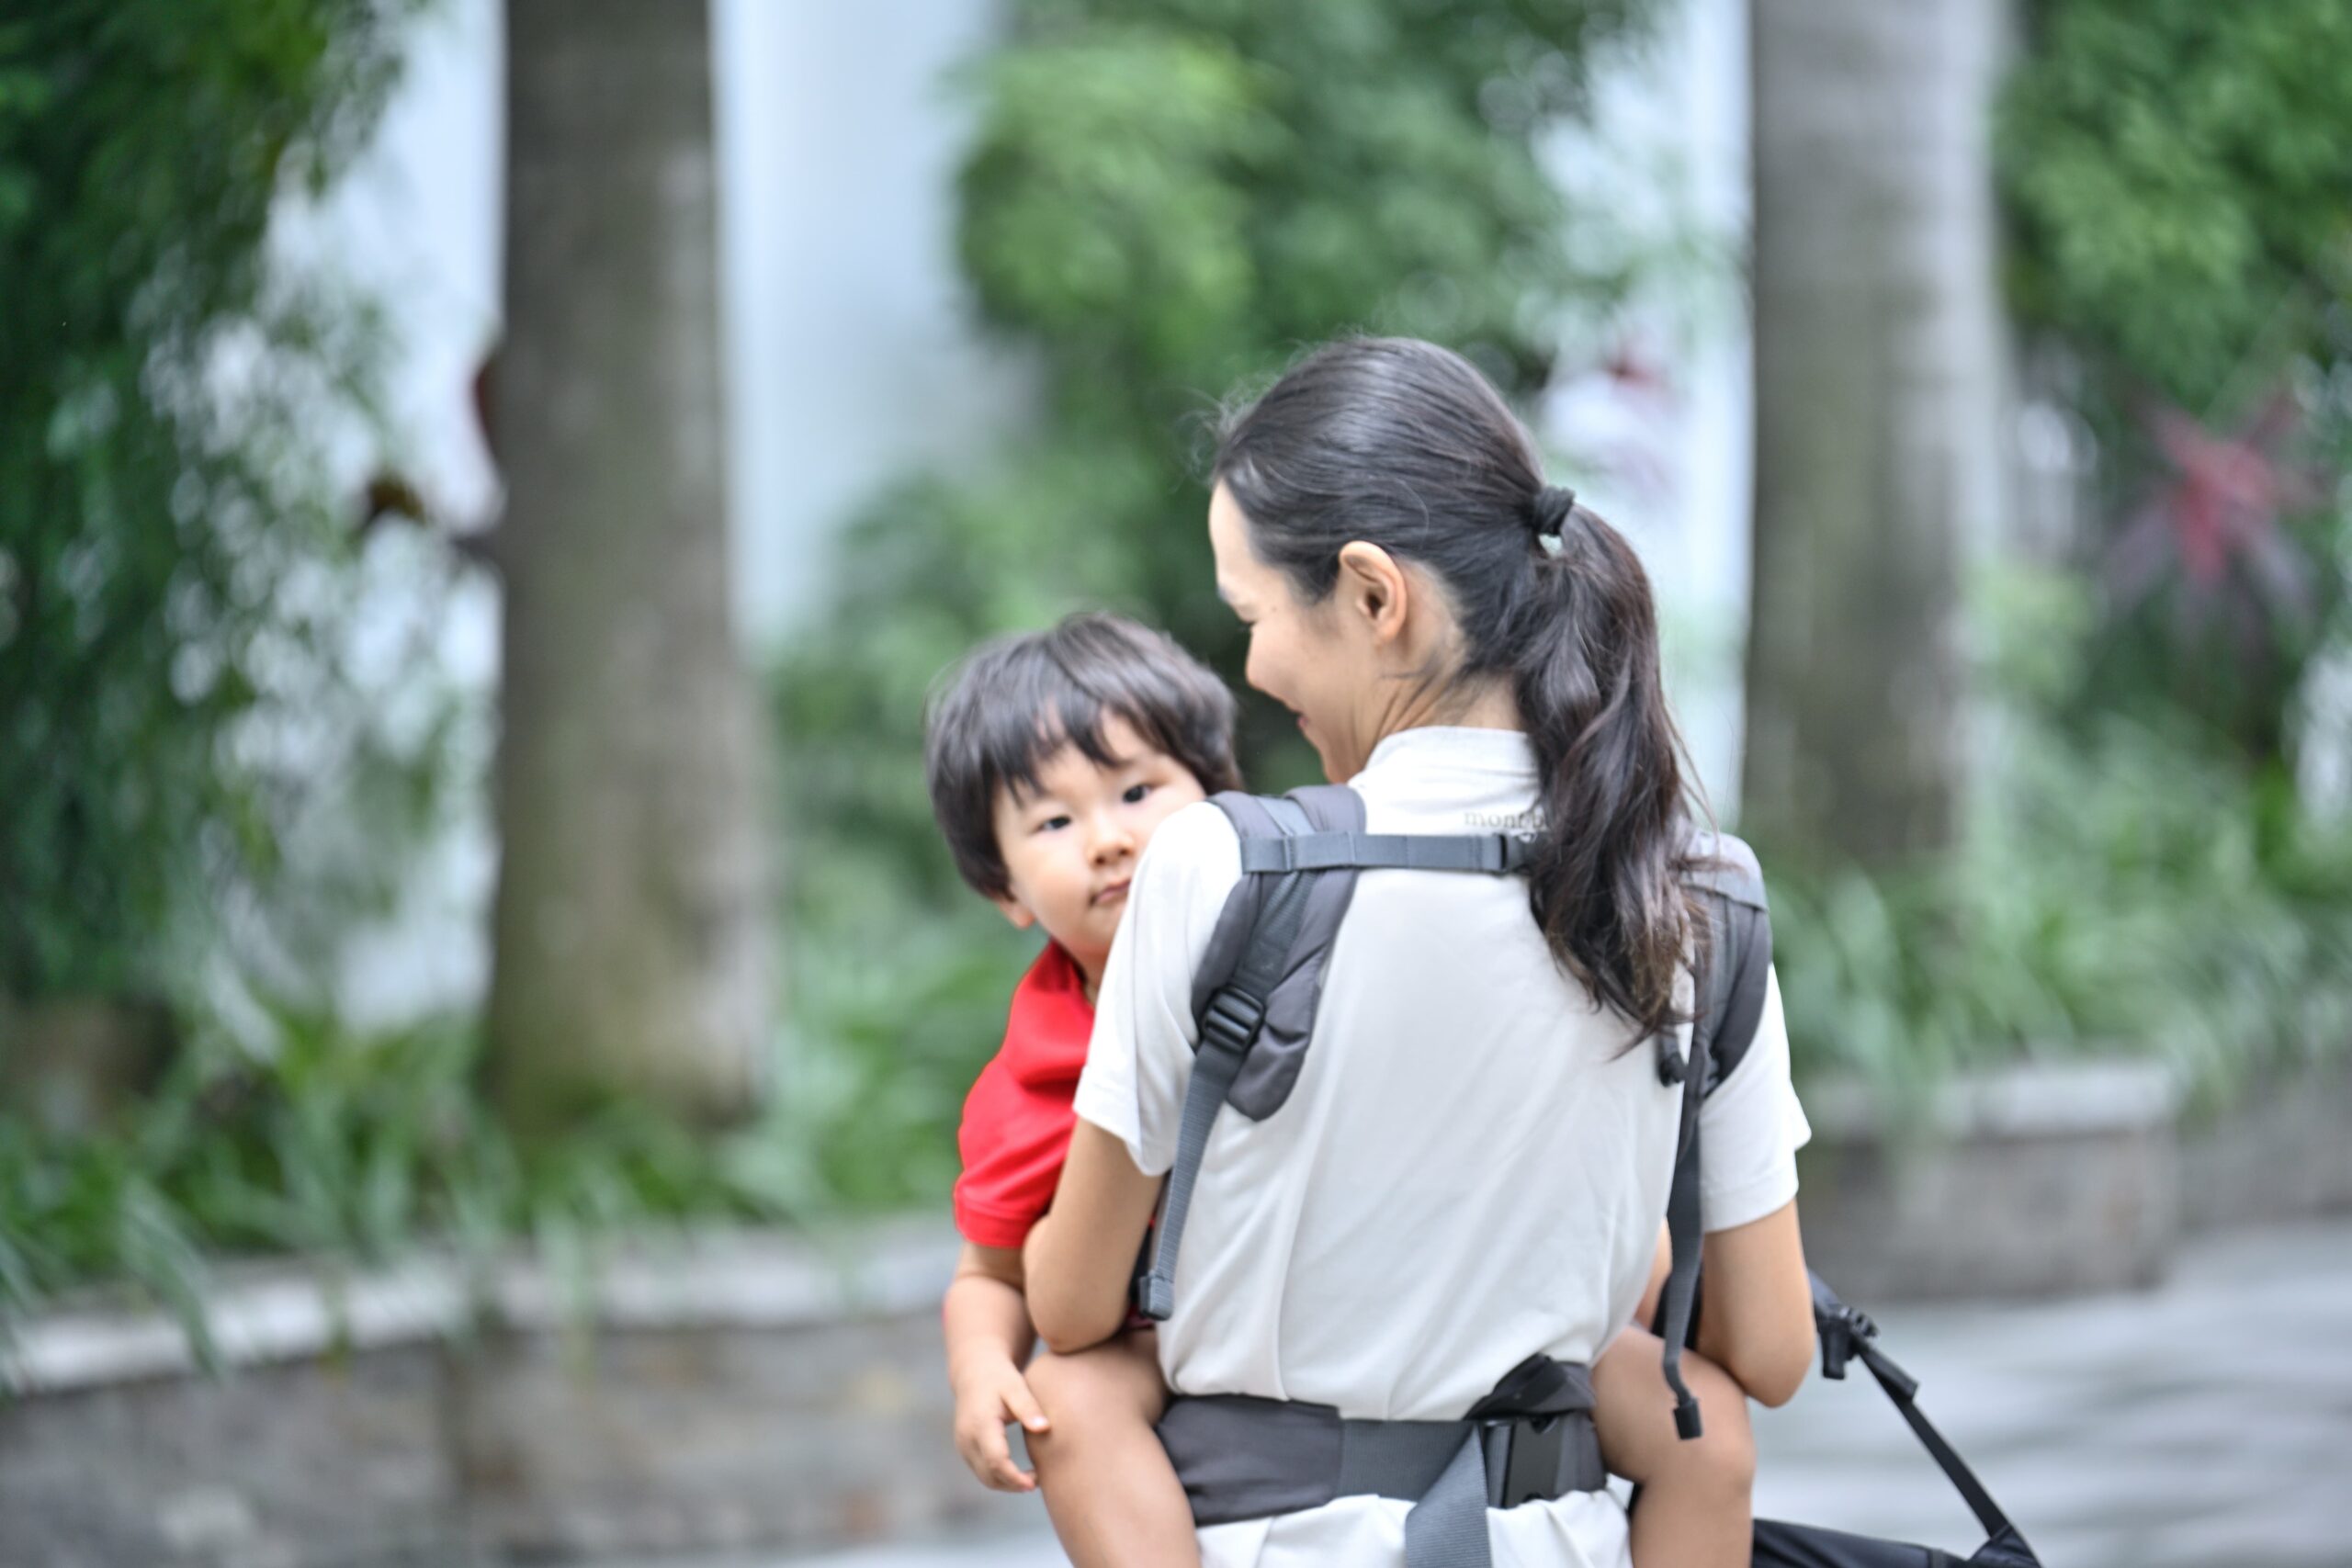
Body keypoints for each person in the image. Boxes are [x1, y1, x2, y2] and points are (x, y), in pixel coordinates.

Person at [1022, 337, 1819, 1567]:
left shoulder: (1227, 870)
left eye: (1255, 615)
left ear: (1373, 596)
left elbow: (1071, 1309)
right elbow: (1769, 1353)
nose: (1253, 666)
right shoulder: (1701, 897)